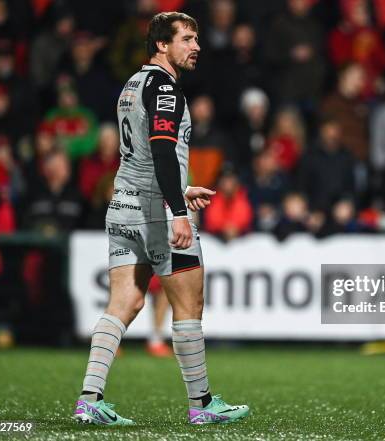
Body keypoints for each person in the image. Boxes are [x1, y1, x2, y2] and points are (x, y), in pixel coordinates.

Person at [72, 12, 249, 426]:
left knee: (123, 302)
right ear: (162, 46)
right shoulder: (166, 88)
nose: (196, 46)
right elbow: (164, 150)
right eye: (187, 38)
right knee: (189, 304)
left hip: (123, 206)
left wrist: (181, 189)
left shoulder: (131, 85)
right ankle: (201, 405)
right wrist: (179, 211)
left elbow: (141, 157)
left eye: (196, 38)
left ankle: (89, 398)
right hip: (156, 214)